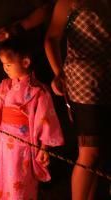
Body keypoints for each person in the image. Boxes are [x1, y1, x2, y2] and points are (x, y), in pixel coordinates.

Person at [0, 38, 64, 200]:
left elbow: (45, 120)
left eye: (8, 65)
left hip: (23, 148)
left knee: (19, 186)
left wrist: (44, 147)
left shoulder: (38, 92)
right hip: (3, 144)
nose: (4, 69)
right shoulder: (4, 87)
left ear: (25, 62)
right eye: (3, 64)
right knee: (1, 183)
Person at [44, 0, 111, 199]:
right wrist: (58, 74)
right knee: (90, 151)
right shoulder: (69, 2)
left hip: (107, 80)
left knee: (98, 155)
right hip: (84, 83)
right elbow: (52, 38)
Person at [0, 0, 55, 100]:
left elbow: (46, 9)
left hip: (32, 53)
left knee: (40, 98)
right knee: (1, 100)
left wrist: (16, 28)